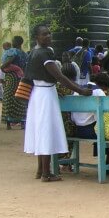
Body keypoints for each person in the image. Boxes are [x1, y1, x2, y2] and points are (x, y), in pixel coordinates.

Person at [24, 25, 92, 182]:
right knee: (46, 131)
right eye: (44, 34)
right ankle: (46, 173)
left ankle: (40, 170)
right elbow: (60, 76)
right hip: (46, 95)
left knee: (40, 131)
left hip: (38, 93)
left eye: (49, 33)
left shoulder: (34, 52)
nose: (48, 36)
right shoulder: (45, 53)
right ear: (36, 37)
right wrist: (80, 90)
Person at [1, 35, 29, 130]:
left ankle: (8, 122)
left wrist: (2, 67)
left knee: (8, 97)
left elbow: (10, 60)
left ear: (16, 42)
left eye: (13, 40)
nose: (12, 42)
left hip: (11, 76)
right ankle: (22, 122)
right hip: (21, 77)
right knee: (21, 98)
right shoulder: (25, 54)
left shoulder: (13, 51)